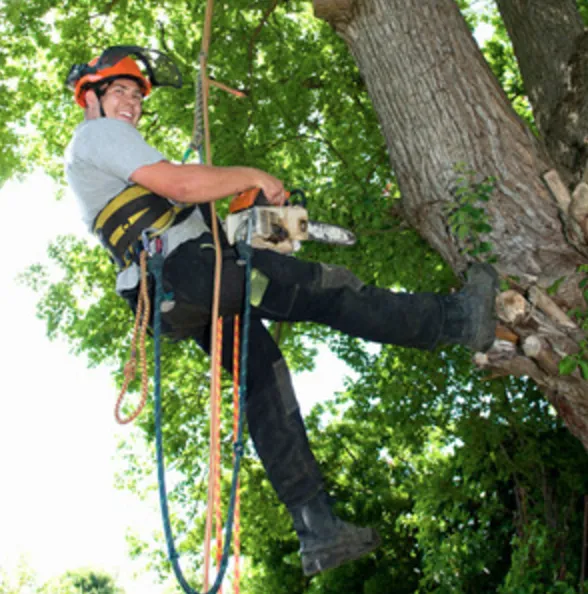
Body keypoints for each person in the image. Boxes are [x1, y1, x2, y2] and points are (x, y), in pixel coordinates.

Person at [65, 48, 498, 577]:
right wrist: (256, 174)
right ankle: (457, 321)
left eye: (136, 95)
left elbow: (209, 228)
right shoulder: (97, 136)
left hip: (181, 294)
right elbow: (181, 185)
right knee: (329, 291)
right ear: (91, 97)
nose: (131, 102)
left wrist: (271, 223)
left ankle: (318, 529)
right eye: (119, 91)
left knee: (265, 383)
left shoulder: (119, 171)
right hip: (194, 274)